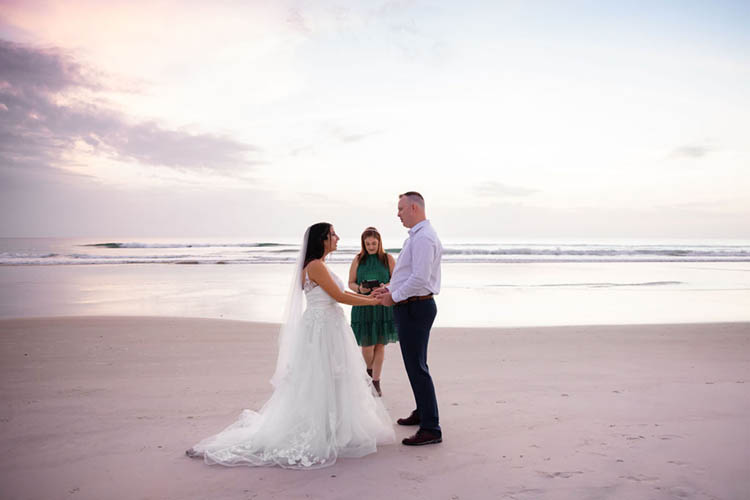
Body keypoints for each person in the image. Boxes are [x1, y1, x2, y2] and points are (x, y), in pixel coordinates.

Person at [186, 223, 395, 468]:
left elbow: (336, 296)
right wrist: (372, 302)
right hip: (322, 329)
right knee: (322, 377)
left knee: (330, 377)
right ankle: (324, 429)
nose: (337, 237)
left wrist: (369, 298)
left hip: (326, 325)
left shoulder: (318, 265)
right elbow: (339, 297)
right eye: (333, 234)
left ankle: (334, 428)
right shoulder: (315, 266)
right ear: (323, 240)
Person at [374, 192, 443, 446]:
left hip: (416, 307)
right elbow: (407, 274)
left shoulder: (424, 237)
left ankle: (431, 427)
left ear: (414, 207)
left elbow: (420, 279)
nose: (398, 213)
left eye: (401, 208)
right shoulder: (416, 236)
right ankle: (423, 411)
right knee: (416, 365)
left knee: (417, 367)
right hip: (410, 304)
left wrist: (395, 297)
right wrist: (390, 289)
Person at [348, 227, 397, 397]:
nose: (370, 247)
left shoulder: (387, 258)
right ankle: (369, 373)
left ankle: (376, 381)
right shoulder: (358, 259)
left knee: (380, 344)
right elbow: (350, 283)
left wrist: (385, 286)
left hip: (382, 305)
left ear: (379, 242)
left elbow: (397, 279)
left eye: (374, 243)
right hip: (363, 305)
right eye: (367, 244)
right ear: (363, 244)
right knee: (367, 345)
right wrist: (360, 288)